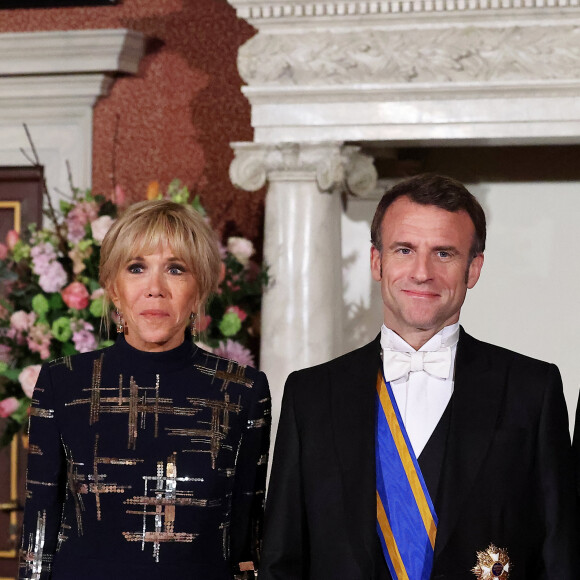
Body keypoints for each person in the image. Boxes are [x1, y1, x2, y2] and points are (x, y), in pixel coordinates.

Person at [259, 174, 579, 580]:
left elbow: (560, 556)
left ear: (474, 268)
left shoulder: (532, 390)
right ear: (377, 261)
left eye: (444, 253)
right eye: (405, 249)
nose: (422, 272)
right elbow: (281, 561)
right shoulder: (310, 394)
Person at [19, 200, 271, 580]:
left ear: (199, 289)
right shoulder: (63, 383)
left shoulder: (242, 392)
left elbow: (246, 544)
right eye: (137, 268)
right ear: (114, 289)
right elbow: (39, 536)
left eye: (175, 269)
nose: (155, 288)